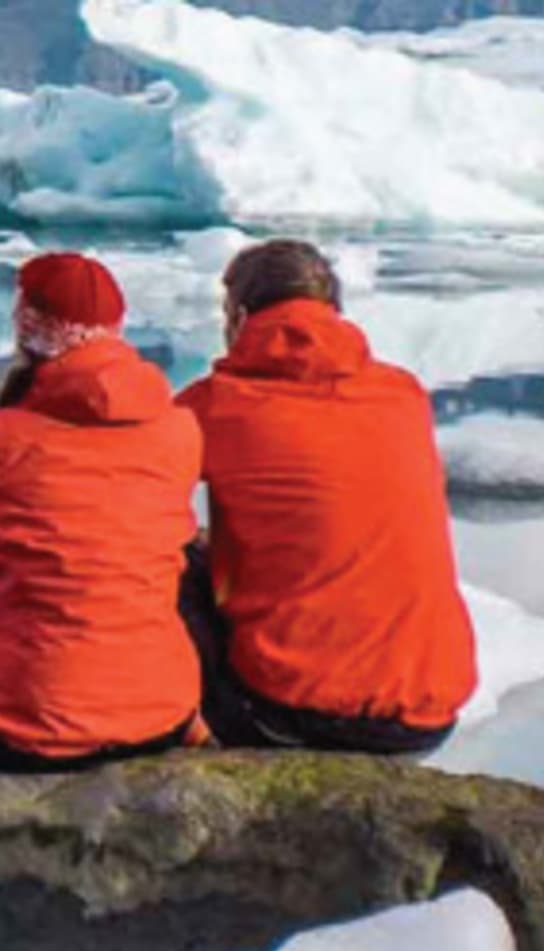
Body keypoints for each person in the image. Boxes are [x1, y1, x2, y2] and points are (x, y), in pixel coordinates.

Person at [0, 252, 203, 771]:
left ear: (27, 329)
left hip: (30, 728)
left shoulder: (0, 446)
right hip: (163, 717)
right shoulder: (178, 431)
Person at [178, 240, 476, 753]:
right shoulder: (403, 396)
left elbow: (120, 479)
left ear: (240, 317)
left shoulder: (217, 406)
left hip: (290, 713)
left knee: (150, 558)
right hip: (429, 714)